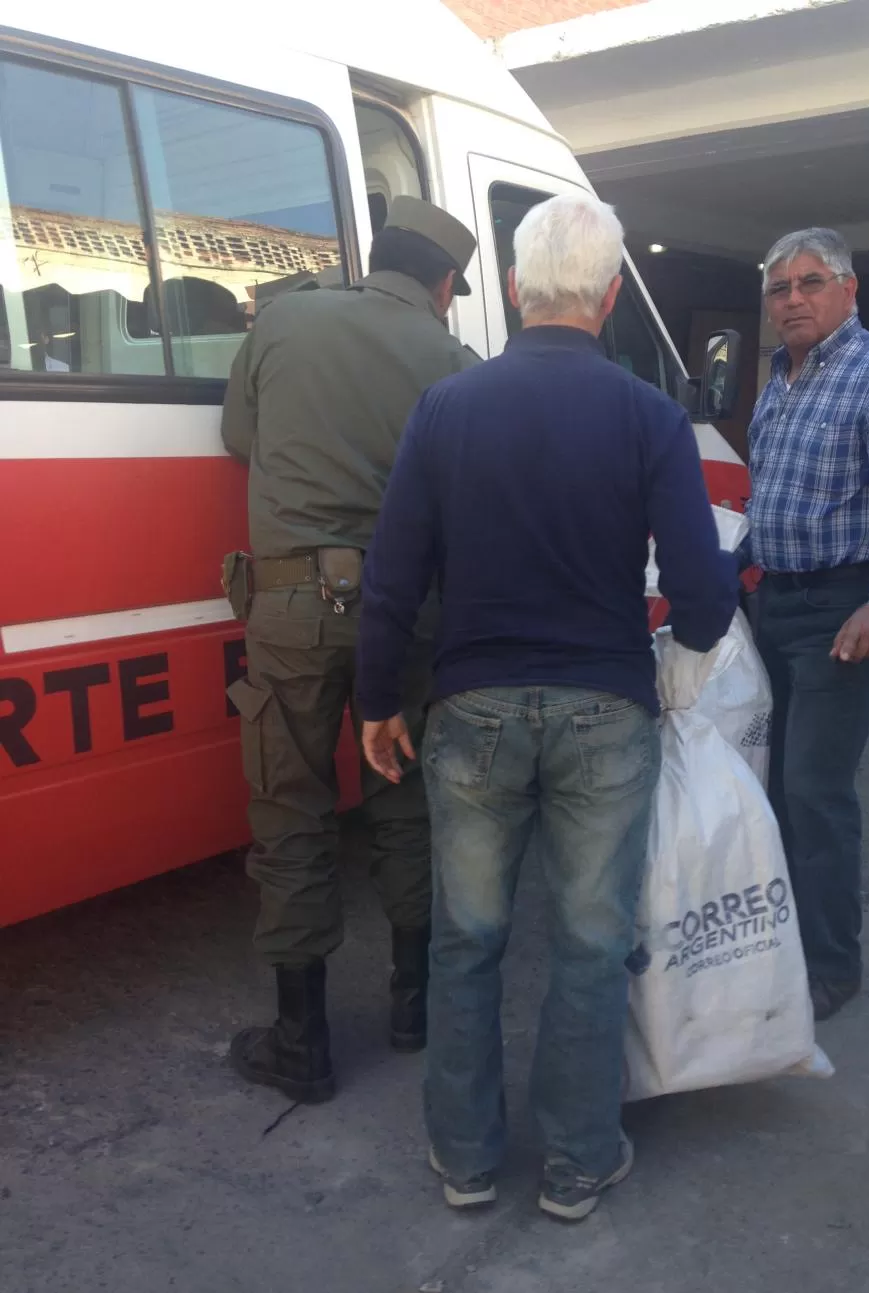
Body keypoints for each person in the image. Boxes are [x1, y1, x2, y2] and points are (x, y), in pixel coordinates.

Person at [356, 193, 737, 1220]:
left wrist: (376, 701)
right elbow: (703, 591)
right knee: (588, 942)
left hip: (470, 711)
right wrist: (680, 665)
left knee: (467, 941)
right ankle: (576, 1163)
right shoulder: (650, 416)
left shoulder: (446, 409)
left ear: (519, 290)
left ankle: (466, 1160)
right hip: (604, 713)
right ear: (610, 296)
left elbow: (392, 578)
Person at [221, 197, 479, 1104]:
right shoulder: (452, 359)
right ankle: (414, 1010)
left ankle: (304, 1043)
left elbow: (238, 439)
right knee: (403, 798)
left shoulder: (287, 316)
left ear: (378, 257)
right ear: (444, 284)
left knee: (291, 811)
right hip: (406, 611)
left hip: (291, 603)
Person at [747, 227, 869, 1022]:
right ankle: (778, 939)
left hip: (844, 614)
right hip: (776, 602)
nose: (792, 298)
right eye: (779, 288)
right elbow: (773, 499)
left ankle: (831, 964)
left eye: (810, 282)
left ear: (848, 289)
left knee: (813, 791)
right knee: (770, 783)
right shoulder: (777, 376)